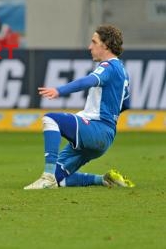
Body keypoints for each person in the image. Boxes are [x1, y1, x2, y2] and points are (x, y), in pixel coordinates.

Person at [25, 24, 134, 190]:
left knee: (51, 119)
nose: (90, 47)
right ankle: (103, 179)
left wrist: (58, 91)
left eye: (93, 42)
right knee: (59, 179)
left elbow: (87, 81)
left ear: (105, 45)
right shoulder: (122, 71)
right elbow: (125, 103)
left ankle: (46, 177)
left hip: (96, 129)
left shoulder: (109, 66)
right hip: (105, 136)